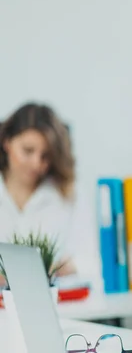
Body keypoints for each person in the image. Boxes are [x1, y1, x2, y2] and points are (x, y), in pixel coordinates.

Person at [0, 102, 98, 286]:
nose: (37, 164)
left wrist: (65, 267)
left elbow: (92, 261)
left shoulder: (68, 193)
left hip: (61, 303)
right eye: (28, 151)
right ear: (7, 142)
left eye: (45, 156)